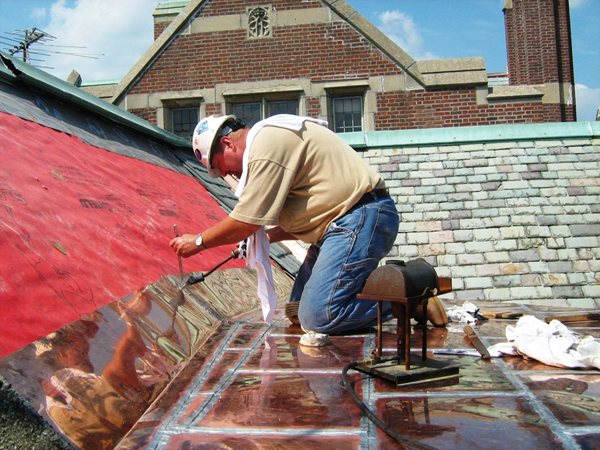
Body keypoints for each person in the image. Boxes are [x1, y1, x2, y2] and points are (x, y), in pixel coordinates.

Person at [170, 114, 399, 346]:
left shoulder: (266, 144)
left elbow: (246, 221)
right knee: (297, 309)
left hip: (361, 216)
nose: (228, 175)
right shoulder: (269, 141)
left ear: (227, 144)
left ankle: (408, 299)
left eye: (220, 167)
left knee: (318, 316)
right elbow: (311, 214)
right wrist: (269, 236)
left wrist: (199, 241)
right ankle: (366, 289)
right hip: (346, 222)